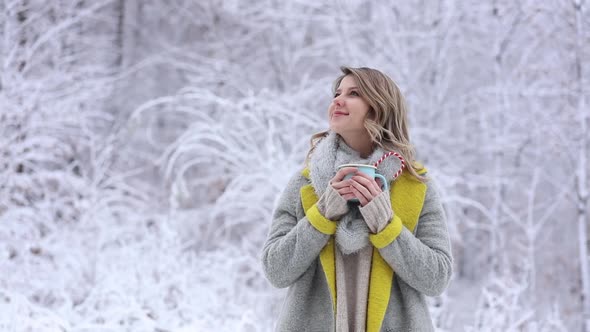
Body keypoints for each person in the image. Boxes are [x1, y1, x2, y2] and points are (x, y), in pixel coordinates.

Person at [261, 66, 453, 331]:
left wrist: (384, 223)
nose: (338, 100)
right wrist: (323, 214)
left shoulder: (415, 186)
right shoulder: (305, 184)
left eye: (353, 93)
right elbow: (276, 270)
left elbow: (437, 278)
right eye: (337, 93)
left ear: (379, 107)